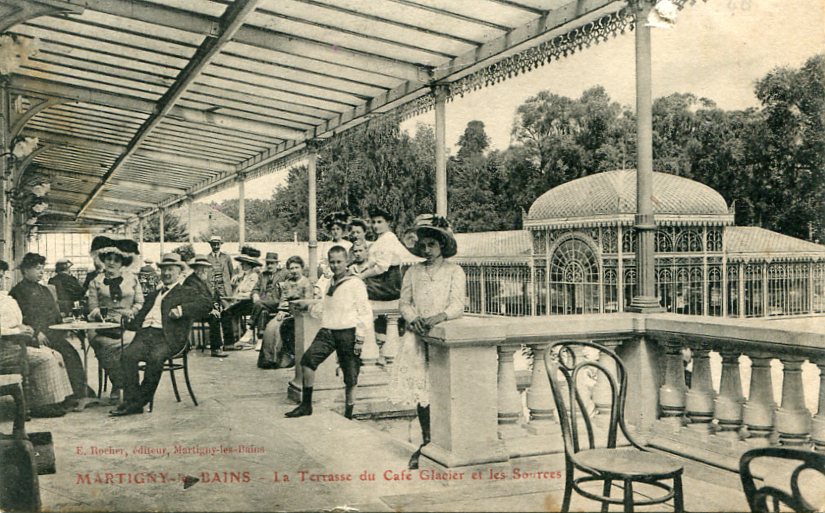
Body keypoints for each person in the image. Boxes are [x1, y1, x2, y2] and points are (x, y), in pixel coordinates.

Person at [389, 214, 465, 469]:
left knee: (444, 389)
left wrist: (439, 317)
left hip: (443, 337)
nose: (427, 250)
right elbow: (404, 302)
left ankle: (447, 441)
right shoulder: (413, 271)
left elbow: (457, 305)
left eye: (432, 244)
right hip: (418, 337)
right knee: (423, 392)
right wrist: (413, 319)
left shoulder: (455, 271)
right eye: (423, 245)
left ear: (442, 245)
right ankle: (426, 441)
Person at [111, 253, 211, 416]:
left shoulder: (185, 291)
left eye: (171, 270)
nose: (166, 274)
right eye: (164, 270)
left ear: (179, 272)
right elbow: (140, 316)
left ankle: (138, 402)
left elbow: (206, 304)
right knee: (127, 356)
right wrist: (127, 320)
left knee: (155, 358)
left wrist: (181, 310)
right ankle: (131, 401)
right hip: (145, 335)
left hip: (168, 337)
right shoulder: (153, 294)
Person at [285, 246, 372, 420]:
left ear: (347, 262)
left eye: (339, 262)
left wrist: (360, 337)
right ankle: (306, 405)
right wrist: (309, 305)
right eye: (332, 262)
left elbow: (365, 312)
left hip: (349, 332)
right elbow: (324, 306)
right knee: (307, 361)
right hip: (328, 331)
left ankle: (349, 413)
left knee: (351, 375)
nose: (335, 265)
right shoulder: (328, 281)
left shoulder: (356, 283)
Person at [10, 252, 88, 404]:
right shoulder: (16, 292)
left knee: (71, 353)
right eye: (37, 268)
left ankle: (77, 394)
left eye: (42, 268)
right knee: (62, 354)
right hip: (32, 337)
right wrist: (36, 333)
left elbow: (54, 314)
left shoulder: (45, 290)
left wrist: (65, 321)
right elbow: (18, 320)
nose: (41, 272)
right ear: (25, 270)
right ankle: (62, 397)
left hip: (52, 334)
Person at [0, 259, 73, 418]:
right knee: (45, 358)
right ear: (25, 270)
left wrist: (21, 327)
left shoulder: (4, 297)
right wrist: (16, 331)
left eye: (1, 276)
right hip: (5, 347)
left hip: (14, 341)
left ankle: (61, 399)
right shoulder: (17, 291)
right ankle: (43, 405)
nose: (2, 280)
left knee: (58, 354)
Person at [86, 237, 144, 400]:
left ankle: (122, 384)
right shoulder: (95, 282)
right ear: (103, 260)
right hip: (102, 327)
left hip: (128, 324)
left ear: (122, 262)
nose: (111, 263)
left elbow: (140, 302)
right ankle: (119, 383)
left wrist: (132, 311)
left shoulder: (132, 279)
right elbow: (93, 308)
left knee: (128, 344)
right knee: (104, 344)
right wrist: (98, 314)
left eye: (116, 260)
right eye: (108, 259)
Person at [257, 256, 313, 369]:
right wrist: (282, 311)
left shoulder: (307, 283)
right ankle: (269, 359)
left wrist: (294, 311)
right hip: (286, 312)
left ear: (302, 268)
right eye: (291, 268)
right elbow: (284, 299)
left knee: (282, 327)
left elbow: (307, 302)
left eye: (297, 267)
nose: (294, 271)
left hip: (301, 314)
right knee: (271, 326)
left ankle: (286, 359)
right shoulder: (287, 283)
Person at [186, 255, 227, 358]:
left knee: (226, 312)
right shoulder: (191, 281)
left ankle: (228, 343)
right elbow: (197, 300)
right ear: (196, 269)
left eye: (206, 268)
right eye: (202, 268)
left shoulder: (202, 280)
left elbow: (210, 297)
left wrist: (217, 306)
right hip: (193, 310)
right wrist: (211, 309)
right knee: (214, 316)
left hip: (203, 308)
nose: (205, 270)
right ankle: (216, 349)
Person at [222, 246, 261, 349]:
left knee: (227, 313)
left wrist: (237, 296)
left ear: (249, 265)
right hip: (242, 302)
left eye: (244, 263)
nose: (241, 265)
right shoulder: (244, 276)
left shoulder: (254, 276)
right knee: (226, 312)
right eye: (242, 263)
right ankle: (232, 339)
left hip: (249, 303)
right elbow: (238, 289)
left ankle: (230, 342)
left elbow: (251, 292)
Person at [249, 252, 287, 342]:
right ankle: (261, 339)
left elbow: (290, 286)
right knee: (263, 312)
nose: (269, 266)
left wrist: (283, 285)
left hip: (277, 301)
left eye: (272, 263)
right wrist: (255, 294)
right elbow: (255, 288)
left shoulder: (283, 274)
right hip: (264, 303)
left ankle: (249, 327)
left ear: (277, 264)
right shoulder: (263, 275)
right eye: (268, 263)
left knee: (259, 304)